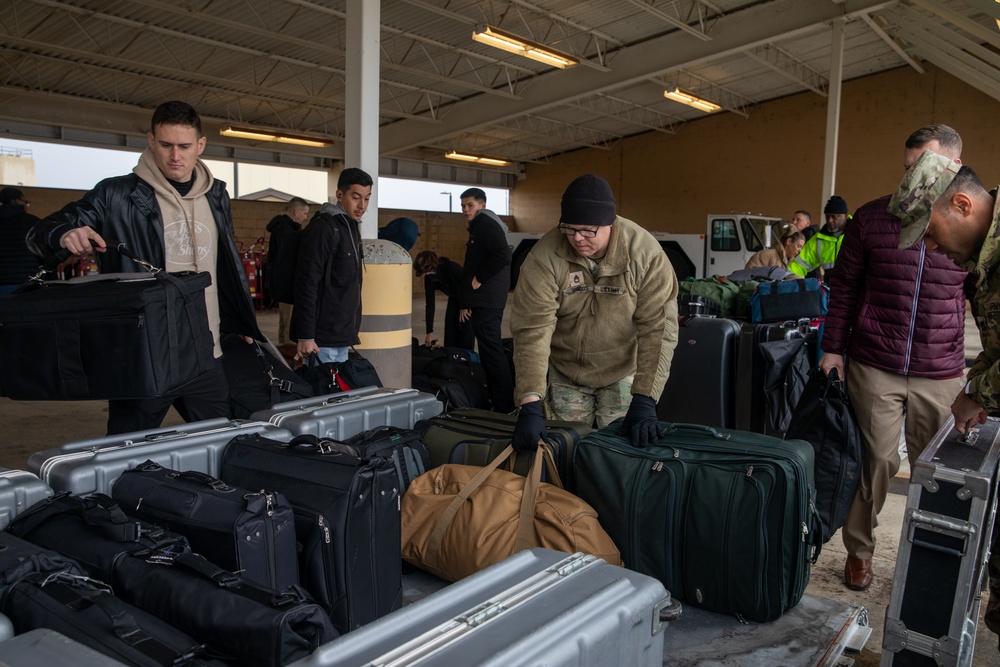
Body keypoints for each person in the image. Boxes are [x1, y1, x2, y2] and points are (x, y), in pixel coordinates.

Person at [26, 100, 263, 434]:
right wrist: (63, 232)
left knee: (222, 441)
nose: (175, 156)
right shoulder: (115, 194)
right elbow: (43, 231)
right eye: (166, 145)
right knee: (125, 448)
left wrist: (237, 321)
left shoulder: (217, 196)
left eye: (184, 146)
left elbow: (223, 266)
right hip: (143, 353)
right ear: (151, 141)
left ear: (201, 145)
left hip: (205, 351)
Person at [818, 124, 967, 592]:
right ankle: (859, 550)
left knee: (936, 471)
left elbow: (983, 297)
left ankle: (932, 556)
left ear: (954, 167)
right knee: (876, 461)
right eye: (906, 168)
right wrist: (832, 347)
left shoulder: (968, 226)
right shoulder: (873, 218)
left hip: (940, 370)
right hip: (874, 362)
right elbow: (844, 288)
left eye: (919, 166)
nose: (909, 178)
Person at [887, 148, 1000, 647]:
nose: (930, 248)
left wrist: (982, 392)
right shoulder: (983, 262)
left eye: (930, 233)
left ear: (961, 204)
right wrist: (977, 387)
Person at [510, 173, 679, 451]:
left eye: (588, 230)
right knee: (566, 452)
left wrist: (645, 397)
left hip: (622, 369)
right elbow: (532, 330)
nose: (577, 238)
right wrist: (530, 401)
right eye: (569, 228)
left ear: (610, 223)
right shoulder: (544, 258)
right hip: (566, 372)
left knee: (618, 457)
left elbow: (658, 328)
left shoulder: (645, 255)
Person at [291, 167, 371, 364]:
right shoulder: (323, 228)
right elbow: (306, 283)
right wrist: (306, 336)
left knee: (339, 393)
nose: (362, 205)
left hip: (341, 335)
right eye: (355, 197)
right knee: (327, 392)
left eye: (367, 198)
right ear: (339, 195)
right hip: (321, 339)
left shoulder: (351, 227)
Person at [458, 187, 515, 413]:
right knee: (489, 351)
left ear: (482, 205)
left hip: (487, 300)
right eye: (463, 206)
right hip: (484, 300)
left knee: (492, 353)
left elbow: (503, 255)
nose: (465, 210)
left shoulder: (486, 225)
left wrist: (479, 279)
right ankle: (497, 400)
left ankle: (505, 406)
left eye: (470, 205)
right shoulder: (480, 226)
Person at [265, 197, 309, 345]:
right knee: (289, 323)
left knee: (284, 322)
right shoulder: (286, 231)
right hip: (286, 283)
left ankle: (283, 351)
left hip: (282, 282)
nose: (305, 217)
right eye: (304, 213)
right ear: (296, 212)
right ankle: (288, 356)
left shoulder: (285, 228)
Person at [413, 250, 474, 349]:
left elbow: (468, 285)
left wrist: (465, 306)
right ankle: (451, 355)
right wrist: (429, 332)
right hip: (454, 298)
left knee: (466, 329)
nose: (427, 274)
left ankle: (468, 356)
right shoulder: (429, 278)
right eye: (424, 272)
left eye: (428, 270)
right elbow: (430, 305)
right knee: (450, 329)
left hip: (468, 297)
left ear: (433, 264)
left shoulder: (451, 267)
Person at [790, 196, 850, 278]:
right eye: (827, 217)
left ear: (845, 216)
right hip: (832, 288)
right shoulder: (818, 240)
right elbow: (800, 264)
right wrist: (787, 276)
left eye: (834, 217)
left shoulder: (858, 234)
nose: (830, 221)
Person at [0, 187, 41, 295]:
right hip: (26, 281)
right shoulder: (32, 221)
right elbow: (44, 251)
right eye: (26, 202)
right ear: (18, 201)